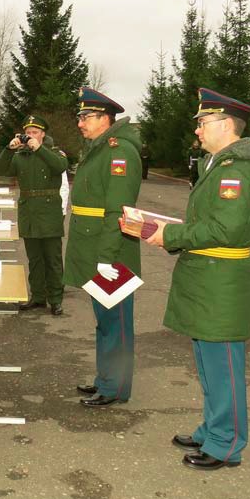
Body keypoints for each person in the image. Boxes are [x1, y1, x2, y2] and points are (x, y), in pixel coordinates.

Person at [146, 88, 250, 470]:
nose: (197, 131)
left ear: (227, 125)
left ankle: (226, 444)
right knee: (207, 361)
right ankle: (212, 428)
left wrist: (171, 236)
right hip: (208, 278)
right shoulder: (217, 165)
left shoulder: (236, 173)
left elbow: (224, 229)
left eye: (203, 123)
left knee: (224, 366)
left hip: (221, 281)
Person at [64, 88, 142, 407]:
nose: (81, 123)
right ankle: (105, 379)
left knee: (116, 322)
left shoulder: (119, 150)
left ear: (106, 119)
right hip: (94, 246)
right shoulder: (98, 148)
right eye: (80, 116)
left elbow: (118, 209)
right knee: (104, 319)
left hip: (111, 251)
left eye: (87, 117)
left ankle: (115, 388)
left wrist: (107, 256)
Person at [0, 115, 68, 316]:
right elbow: (0, 174)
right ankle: (37, 297)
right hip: (29, 212)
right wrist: (8, 150)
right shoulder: (20, 156)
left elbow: (60, 166)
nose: (30, 136)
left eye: (35, 132)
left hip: (49, 211)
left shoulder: (54, 152)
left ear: (43, 134)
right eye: (28, 133)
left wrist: (39, 148)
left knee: (52, 259)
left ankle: (55, 299)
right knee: (34, 258)